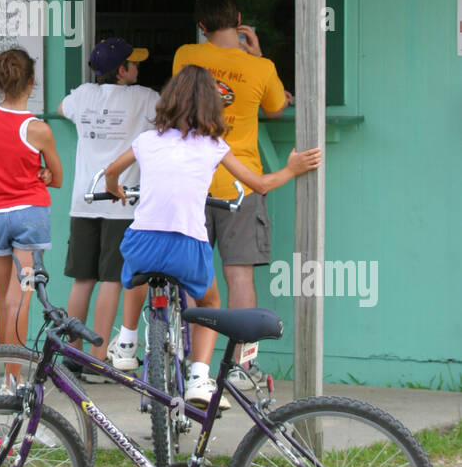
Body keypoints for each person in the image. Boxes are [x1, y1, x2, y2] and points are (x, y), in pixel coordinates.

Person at [105, 65, 320, 407]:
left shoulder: (147, 140)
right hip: (187, 246)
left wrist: (114, 189)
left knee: (134, 275)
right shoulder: (213, 146)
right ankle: (198, 378)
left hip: (143, 241)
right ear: (211, 106)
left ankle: (128, 341)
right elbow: (260, 185)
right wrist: (292, 169)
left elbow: (112, 170)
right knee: (209, 302)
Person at [172, 0, 291, 386]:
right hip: (240, 182)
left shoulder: (186, 56)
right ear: (239, 19)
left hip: (191, 181)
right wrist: (255, 56)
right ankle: (242, 365)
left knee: (194, 276)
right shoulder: (261, 68)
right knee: (239, 276)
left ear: (201, 26)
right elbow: (275, 107)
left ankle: (196, 364)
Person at [58, 38, 159, 378]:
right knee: (112, 279)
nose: (138, 68)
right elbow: (169, 117)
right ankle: (97, 357)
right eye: (134, 64)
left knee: (83, 278)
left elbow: (62, 108)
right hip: (121, 201)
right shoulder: (145, 98)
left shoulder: (82, 95)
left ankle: (72, 352)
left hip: (83, 201)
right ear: (121, 70)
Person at [0, 48, 63, 355]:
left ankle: (5, 376)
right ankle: (16, 380)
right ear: (32, 81)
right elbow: (58, 176)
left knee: (4, 298)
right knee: (22, 296)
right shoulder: (38, 129)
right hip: (30, 218)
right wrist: (43, 173)